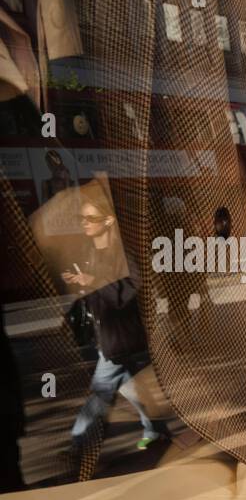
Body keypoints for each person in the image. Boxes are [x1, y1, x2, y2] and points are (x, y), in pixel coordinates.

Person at [63, 185, 161, 452]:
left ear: (108, 221)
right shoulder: (92, 254)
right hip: (107, 336)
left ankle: (79, 444)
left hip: (120, 337)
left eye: (91, 218)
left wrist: (93, 281)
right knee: (132, 388)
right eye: (82, 218)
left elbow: (126, 291)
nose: (85, 224)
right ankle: (156, 430)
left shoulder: (122, 255)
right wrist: (81, 285)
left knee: (100, 391)